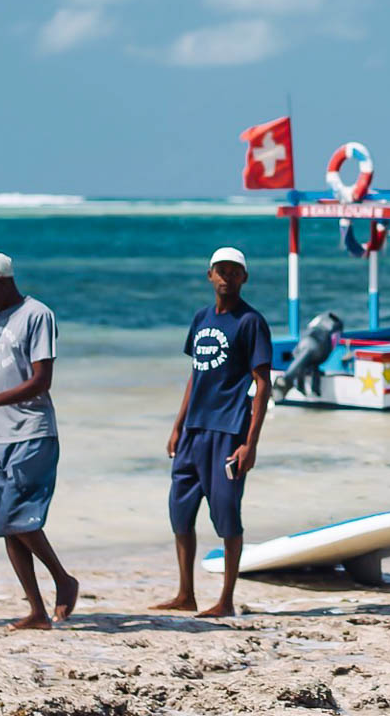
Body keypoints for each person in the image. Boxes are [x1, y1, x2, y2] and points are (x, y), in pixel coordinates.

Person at [0, 252, 78, 631]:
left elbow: (42, 380)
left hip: (30, 432)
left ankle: (62, 579)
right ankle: (37, 611)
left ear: (3, 283)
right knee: (6, 524)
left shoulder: (38, 315)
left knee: (18, 517)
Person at [153, 247, 272, 618]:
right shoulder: (202, 318)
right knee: (180, 511)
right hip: (193, 432)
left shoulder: (251, 322)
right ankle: (185, 593)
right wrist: (177, 425)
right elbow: (196, 374)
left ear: (244, 278)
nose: (227, 277)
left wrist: (250, 444)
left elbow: (263, 383)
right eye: (221, 271)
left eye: (234, 272)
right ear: (209, 276)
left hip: (228, 433)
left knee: (225, 514)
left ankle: (226, 600)